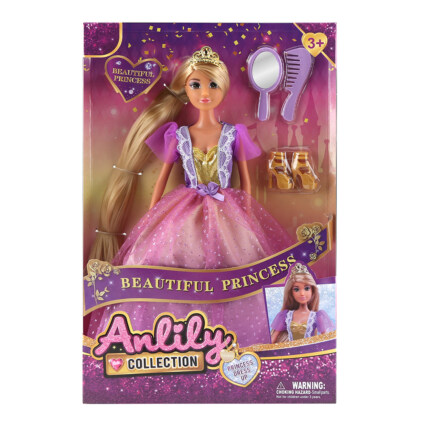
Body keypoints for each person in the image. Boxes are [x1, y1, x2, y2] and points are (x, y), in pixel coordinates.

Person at [87, 47, 293, 346]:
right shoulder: (178, 134)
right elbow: (161, 180)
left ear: (224, 88)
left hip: (227, 207)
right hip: (184, 207)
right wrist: (152, 219)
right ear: (185, 89)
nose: (204, 93)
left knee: (240, 265)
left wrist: (248, 215)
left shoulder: (234, 133)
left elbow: (246, 180)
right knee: (169, 261)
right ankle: (173, 336)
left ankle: (237, 338)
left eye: (213, 85)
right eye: (196, 85)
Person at [271, 262, 334, 343]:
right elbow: (273, 339)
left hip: (310, 350)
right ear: (291, 292)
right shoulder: (285, 316)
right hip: (291, 350)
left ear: (312, 291)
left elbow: (325, 340)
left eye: (307, 288)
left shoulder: (318, 316)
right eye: (296, 289)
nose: (302, 293)